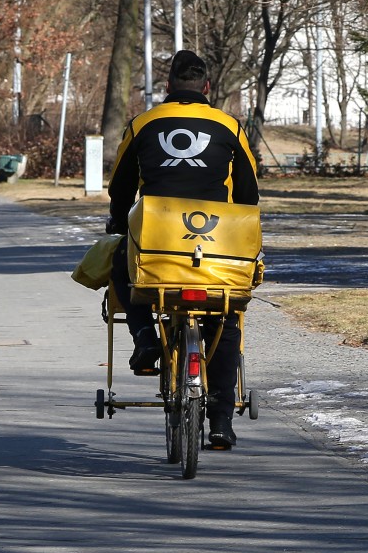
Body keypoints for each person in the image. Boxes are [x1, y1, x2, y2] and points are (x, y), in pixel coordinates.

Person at [105, 49, 260, 449]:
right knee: (224, 318)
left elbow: (120, 187)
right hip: (216, 244)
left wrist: (118, 224)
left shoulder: (143, 123)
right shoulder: (230, 126)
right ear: (207, 87)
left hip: (157, 244)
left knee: (124, 266)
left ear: (169, 86)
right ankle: (222, 421)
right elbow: (248, 192)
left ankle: (145, 337)